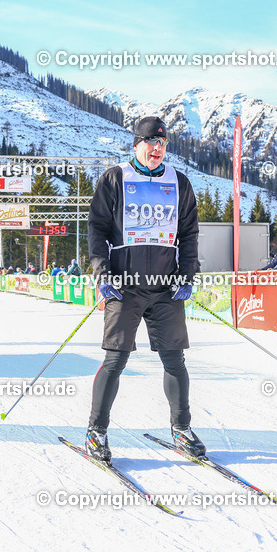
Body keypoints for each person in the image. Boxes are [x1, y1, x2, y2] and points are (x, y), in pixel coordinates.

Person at [86, 115, 202, 463]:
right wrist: (102, 272)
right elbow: (97, 229)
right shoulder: (115, 177)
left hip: (166, 287)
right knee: (116, 358)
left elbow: (189, 234)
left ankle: (181, 428)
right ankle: (97, 431)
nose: (157, 149)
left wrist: (186, 273)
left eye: (163, 143)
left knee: (174, 360)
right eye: (151, 142)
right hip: (125, 286)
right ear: (136, 144)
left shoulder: (179, 181)